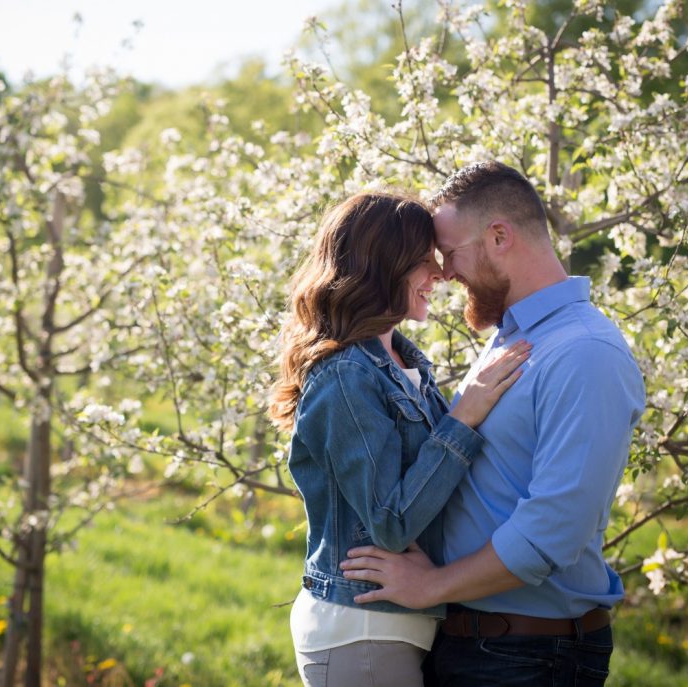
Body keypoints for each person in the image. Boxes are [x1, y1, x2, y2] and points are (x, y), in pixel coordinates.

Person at [339, 162, 646, 686]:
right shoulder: (514, 336)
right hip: (478, 644)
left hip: (530, 657)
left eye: (451, 253)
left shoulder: (584, 353)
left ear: (499, 237)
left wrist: (430, 586)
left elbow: (553, 532)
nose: (446, 272)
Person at [268, 190, 531, 687]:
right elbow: (390, 520)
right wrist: (464, 417)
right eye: (422, 261)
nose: (440, 273)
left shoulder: (406, 367)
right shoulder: (346, 375)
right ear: (384, 266)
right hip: (362, 630)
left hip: (396, 628)